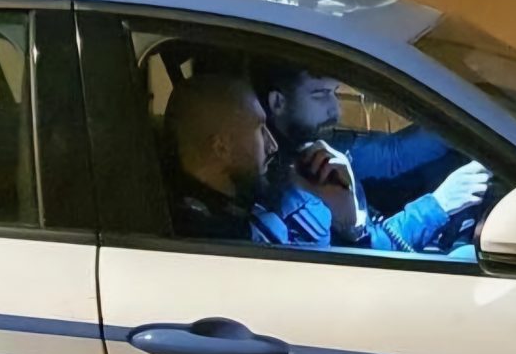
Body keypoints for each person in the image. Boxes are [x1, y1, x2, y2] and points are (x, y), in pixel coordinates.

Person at [252, 62, 490, 252]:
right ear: (278, 102)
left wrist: (471, 122)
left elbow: (393, 154)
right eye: (320, 94)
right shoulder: (290, 197)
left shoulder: (311, 147)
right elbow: (368, 256)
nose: (336, 110)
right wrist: (440, 204)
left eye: (334, 93)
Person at [163, 72, 350, 245]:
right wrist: (344, 217)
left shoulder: (230, 204)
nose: (272, 145)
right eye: (260, 130)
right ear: (221, 147)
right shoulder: (223, 236)